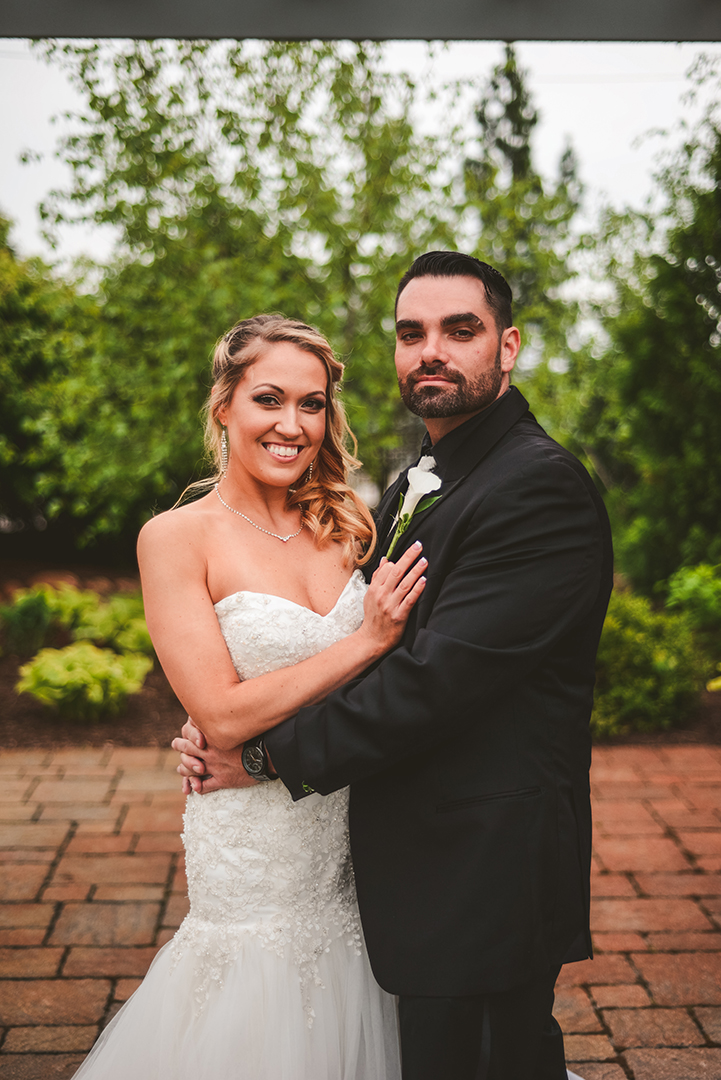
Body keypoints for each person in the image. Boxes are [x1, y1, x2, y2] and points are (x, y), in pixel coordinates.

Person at [176, 251, 614, 1080]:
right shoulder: (425, 473)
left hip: (484, 858)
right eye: (411, 333)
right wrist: (234, 700)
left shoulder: (536, 487)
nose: (431, 351)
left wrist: (262, 753)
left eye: (460, 329)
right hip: (410, 850)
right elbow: (362, 641)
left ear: (508, 346)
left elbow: (430, 683)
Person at [71, 314, 429, 1079]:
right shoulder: (175, 538)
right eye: (269, 399)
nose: (291, 425)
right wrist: (363, 641)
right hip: (251, 844)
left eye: (312, 404)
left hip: (350, 818)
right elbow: (222, 714)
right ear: (224, 404)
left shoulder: (347, 525)